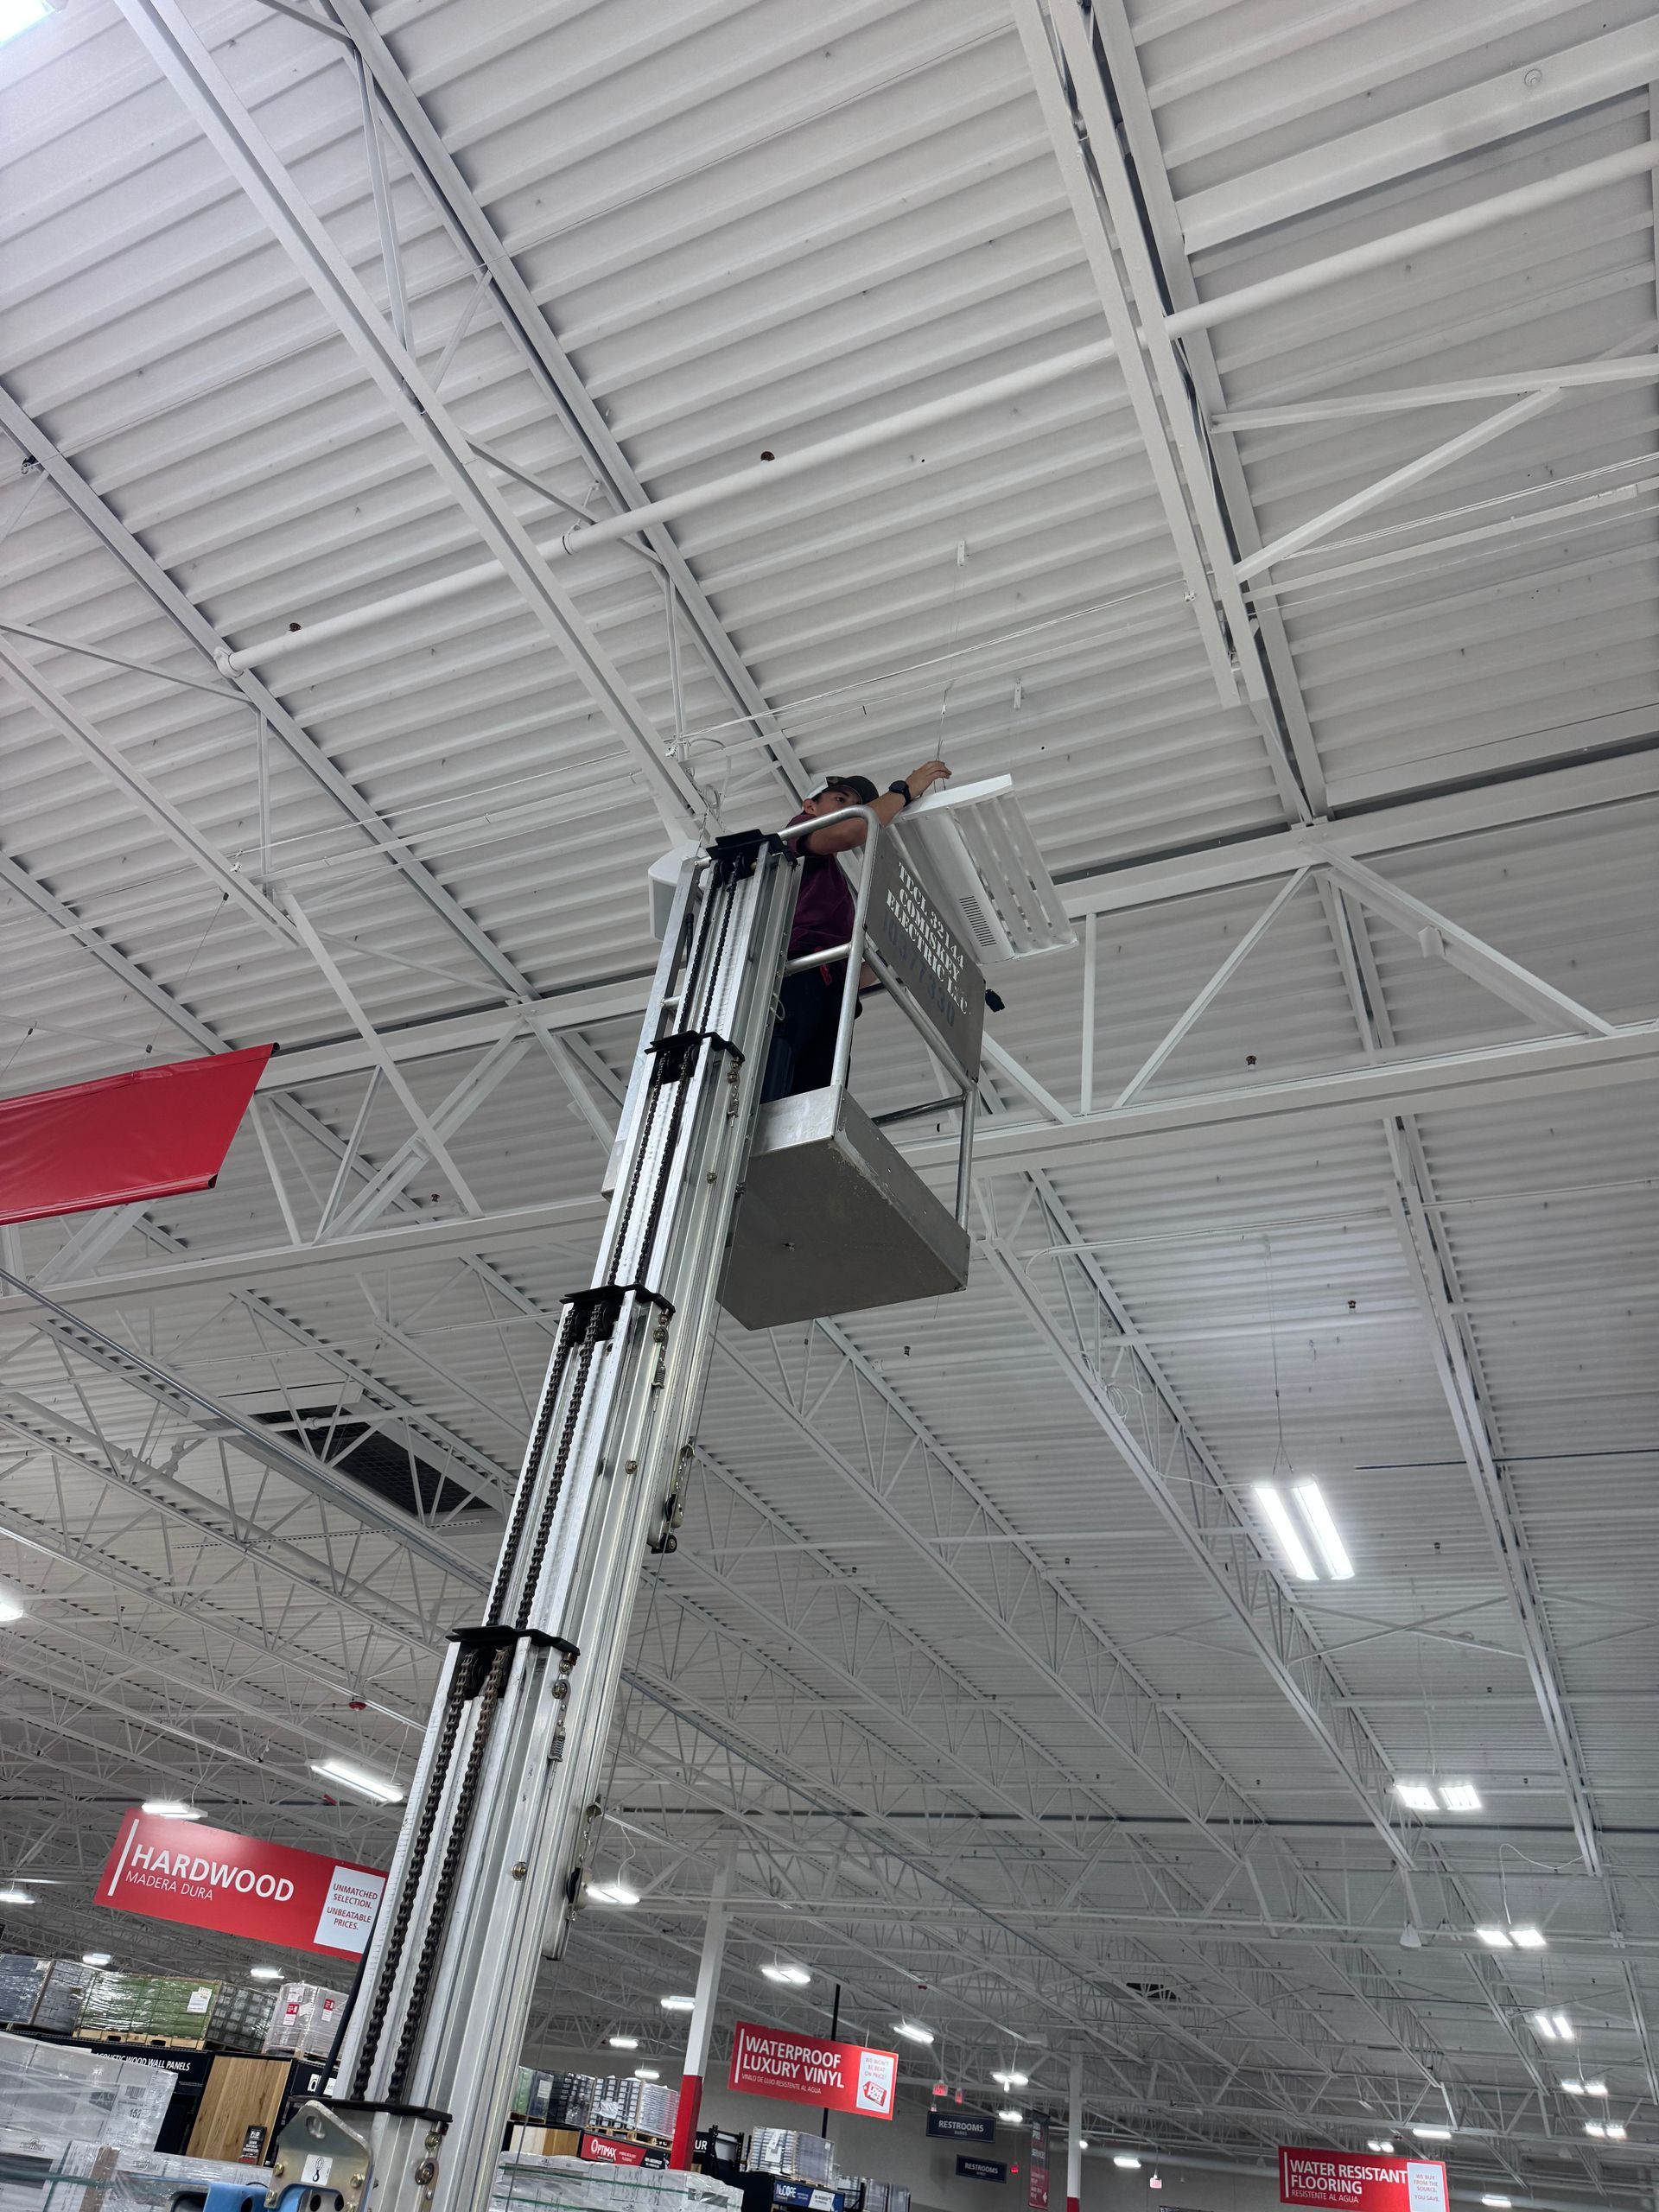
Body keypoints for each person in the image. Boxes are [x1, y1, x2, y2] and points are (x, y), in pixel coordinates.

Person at [760, 761, 951, 1102]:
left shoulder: (836, 892)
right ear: (811, 806)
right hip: (798, 975)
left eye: (856, 805)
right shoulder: (798, 832)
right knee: (777, 1075)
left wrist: (901, 957)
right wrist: (905, 790)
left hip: (830, 991)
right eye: (841, 799)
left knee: (815, 1093)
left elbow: (856, 973)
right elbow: (851, 831)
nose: (850, 810)